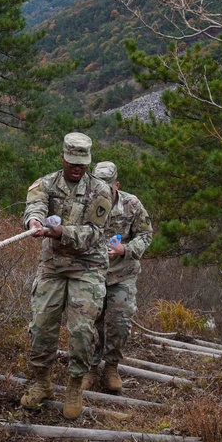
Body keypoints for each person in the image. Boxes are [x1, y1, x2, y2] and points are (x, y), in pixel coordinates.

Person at [20, 132, 113, 419]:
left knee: (82, 331)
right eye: (72, 162)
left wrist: (62, 232)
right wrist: (34, 221)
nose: (77, 168)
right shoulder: (45, 183)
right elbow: (34, 204)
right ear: (63, 157)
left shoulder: (101, 191)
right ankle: (42, 383)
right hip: (52, 266)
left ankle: (74, 385)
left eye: (82, 164)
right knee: (41, 325)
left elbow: (96, 233)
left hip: (87, 267)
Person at [83, 161, 153, 394]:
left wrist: (126, 250)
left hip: (122, 275)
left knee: (120, 322)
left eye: (108, 185)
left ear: (117, 184)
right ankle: (91, 368)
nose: (103, 190)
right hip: (91, 273)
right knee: (90, 324)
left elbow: (145, 234)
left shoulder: (131, 204)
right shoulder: (85, 204)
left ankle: (111, 366)